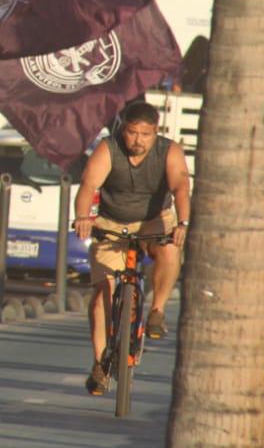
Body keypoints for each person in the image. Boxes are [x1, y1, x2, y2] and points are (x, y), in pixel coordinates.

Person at [74, 101, 190, 396]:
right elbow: (88, 185)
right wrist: (83, 217)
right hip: (112, 223)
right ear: (122, 129)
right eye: (132, 132)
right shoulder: (108, 148)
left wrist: (183, 223)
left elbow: (179, 187)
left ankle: (157, 310)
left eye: (145, 134)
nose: (138, 140)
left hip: (154, 222)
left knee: (169, 251)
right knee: (102, 293)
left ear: (156, 132)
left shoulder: (169, 151)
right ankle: (100, 363)